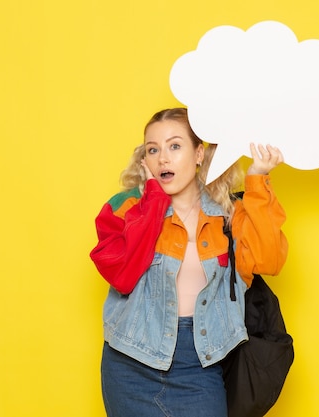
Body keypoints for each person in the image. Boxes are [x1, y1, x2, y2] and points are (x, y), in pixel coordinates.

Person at [90, 107, 288, 416]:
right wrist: (153, 200)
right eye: (153, 149)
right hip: (130, 364)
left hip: (200, 364)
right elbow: (124, 275)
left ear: (199, 154)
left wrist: (257, 180)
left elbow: (269, 259)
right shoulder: (125, 207)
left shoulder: (229, 215)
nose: (162, 159)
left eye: (174, 146)